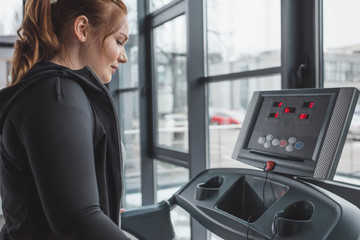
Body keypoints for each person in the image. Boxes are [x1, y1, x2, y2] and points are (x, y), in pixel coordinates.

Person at [0, 0, 131, 239]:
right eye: (119, 41)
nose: (123, 57)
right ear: (81, 28)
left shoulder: (57, 92)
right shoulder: (57, 95)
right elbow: (80, 220)